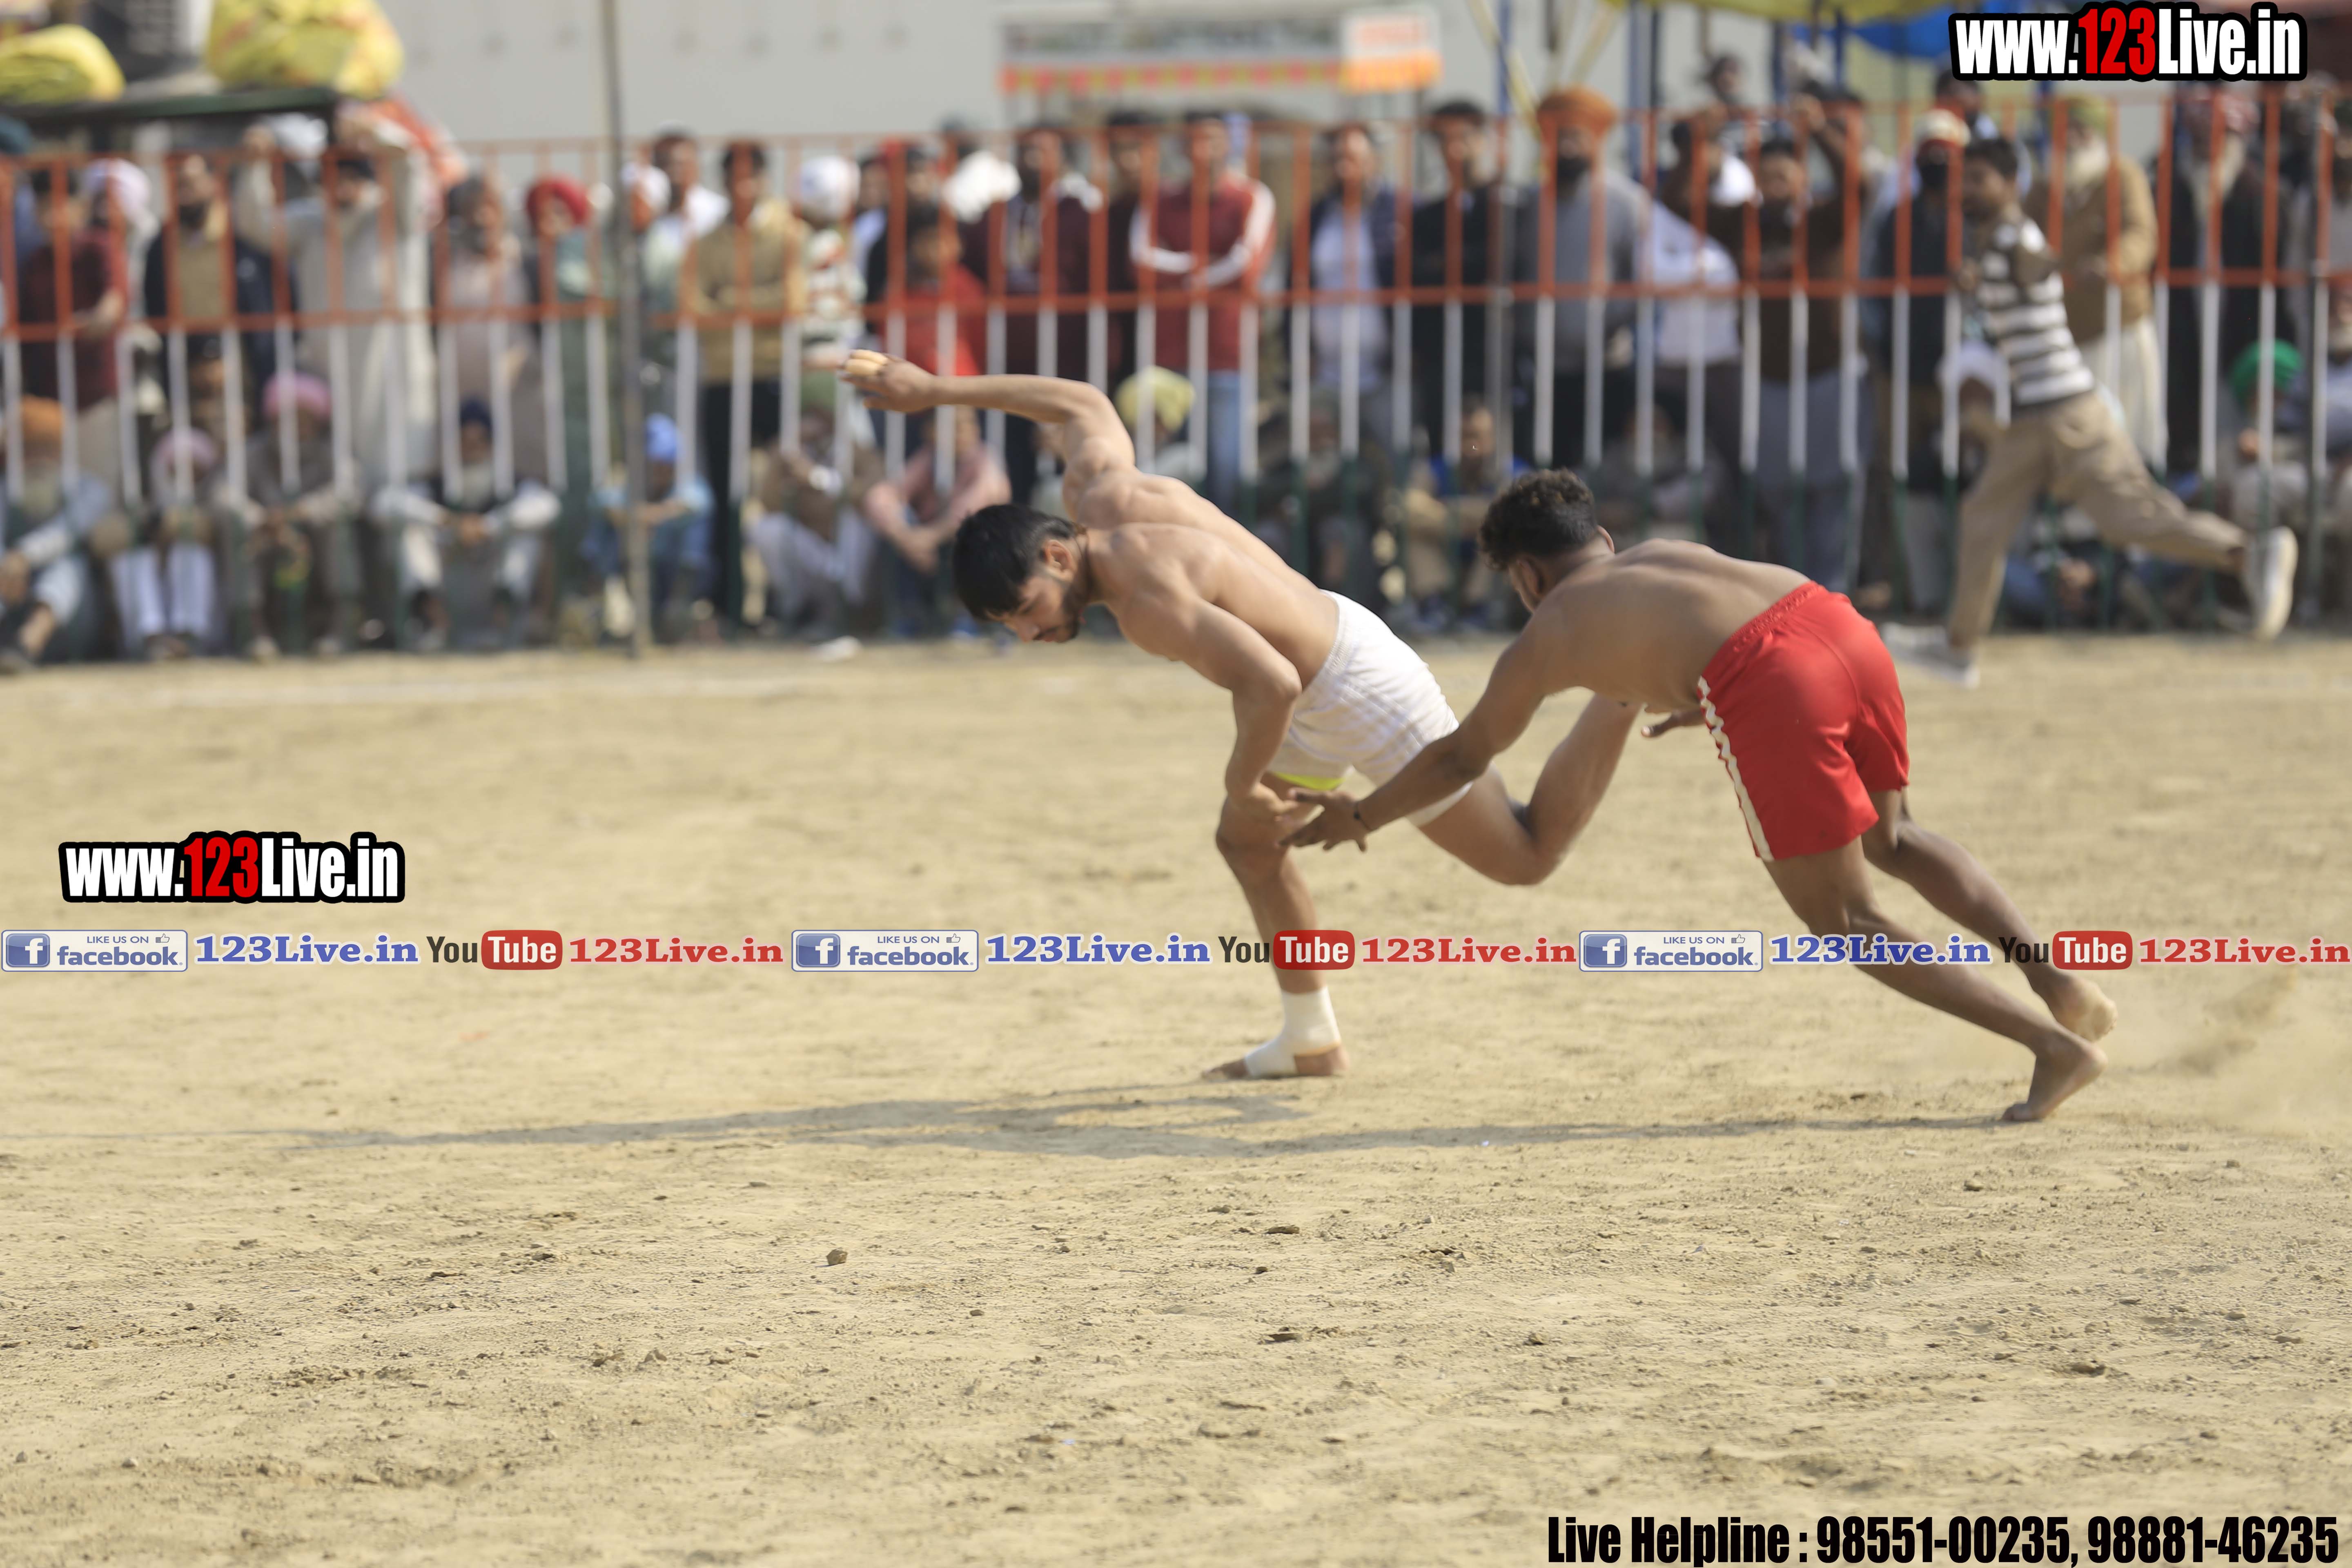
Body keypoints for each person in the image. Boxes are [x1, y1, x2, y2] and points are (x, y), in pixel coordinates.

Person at [845, 348, 1642, 1078]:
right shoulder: (1098, 493)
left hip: (1353, 688)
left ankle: (1623, 688)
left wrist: (1244, 781)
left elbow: (1269, 683)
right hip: (1320, 665)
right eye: (1011, 627)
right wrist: (936, 391)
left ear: (1056, 556)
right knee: (1248, 845)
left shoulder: (1144, 601)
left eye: (1027, 610)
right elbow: (1081, 403)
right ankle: (1311, 1040)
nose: (1030, 634)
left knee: (1526, 855)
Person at [1282, 469, 2116, 1123]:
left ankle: (2053, 1048)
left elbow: (1463, 757)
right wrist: (1717, 696)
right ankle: (2058, 985)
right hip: (1839, 628)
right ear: (1601, 538)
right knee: (1896, 839)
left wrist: (1361, 814)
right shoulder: (1660, 553)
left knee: (1845, 920)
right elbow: (1728, 632)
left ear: (1528, 576)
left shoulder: (1552, 629)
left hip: (1772, 681)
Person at [1882, 138, 2296, 686]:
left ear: (2010, 184)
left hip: (2068, 414)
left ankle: (2249, 552)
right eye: (1965, 179)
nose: (1967, 190)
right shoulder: (1995, 240)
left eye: (1979, 179)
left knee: (2132, 518)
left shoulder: (2014, 236)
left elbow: (2035, 263)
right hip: (2037, 416)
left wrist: (2028, 267)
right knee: (1983, 520)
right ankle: (1959, 648)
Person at [1704, 96, 1875, 592]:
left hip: (1830, 373)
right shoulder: (1743, 223)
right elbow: (1681, 202)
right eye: (1768, 176)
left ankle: (1833, 595)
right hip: (1768, 378)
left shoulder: (1824, 220)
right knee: (1778, 492)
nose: (1776, 184)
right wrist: (1704, 139)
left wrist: (1820, 130)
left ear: (1804, 178)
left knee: (1837, 487)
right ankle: (1796, 596)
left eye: (1785, 175)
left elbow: (1859, 184)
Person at [236, 111, 437, 490]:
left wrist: (376, 131)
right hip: (330, 369)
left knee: (398, 476)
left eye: (351, 180)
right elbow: (255, 224)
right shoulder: (313, 224)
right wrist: (255, 166)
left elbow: (408, 162)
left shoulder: (395, 217)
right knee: (343, 480)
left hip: (393, 369)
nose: (342, 190)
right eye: (332, 181)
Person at [1128, 108, 1275, 517]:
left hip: (1227, 357)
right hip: (1169, 356)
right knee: (1167, 475)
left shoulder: (1252, 198)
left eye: (1211, 140)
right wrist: (1205, 268)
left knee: (1226, 474)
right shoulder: (1159, 200)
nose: (1202, 149)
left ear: (1228, 145)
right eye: (1194, 139)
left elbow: (1247, 266)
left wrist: (1180, 273)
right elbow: (1141, 263)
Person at [682, 140, 806, 624]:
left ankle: (784, 598)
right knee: (724, 492)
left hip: (773, 371)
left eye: (751, 175)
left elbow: (793, 298)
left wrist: (730, 299)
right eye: (735, 177)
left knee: (784, 485)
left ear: (764, 179)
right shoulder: (706, 241)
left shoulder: (788, 233)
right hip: (722, 375)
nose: (744, 186)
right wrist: (756, 303)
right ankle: (729, 600)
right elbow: (693, 304)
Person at [964, 125, 1100, 502]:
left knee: (1065, 470)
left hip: (1065, 362)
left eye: (1043, 152)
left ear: (1063, 159)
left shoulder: (1080, 214)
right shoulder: (994, 216)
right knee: (1012, 467)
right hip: (1006, 362)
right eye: (1025, 151)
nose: (1032, 160)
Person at [370, 399, 558, 649]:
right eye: (465, 441)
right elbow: (383, 504)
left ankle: (505, 621)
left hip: (489, 581)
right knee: (412, 533)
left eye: (480, 440)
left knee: (527, 537)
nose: (473, 449)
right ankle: (432, 622)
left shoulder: (510, 484)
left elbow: (548, 506)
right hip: (450, 584)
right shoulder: (436, 485)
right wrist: (445, 520)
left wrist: (489, 526)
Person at [1529, 88, 1644, 468]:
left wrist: (1608, 323)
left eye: (1576, 136)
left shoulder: (1626, 202)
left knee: (1607, 467)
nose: (1567, 147)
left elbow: (1640, 280)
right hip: (1544, 367)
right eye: (1558, 137)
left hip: (1608, 364)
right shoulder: (1530, 203)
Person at [1415, 100, 1535, 460]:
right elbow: (1421, 274)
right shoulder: (1429, 214)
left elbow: (1504, 263)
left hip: (1499, 348)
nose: (1455, 149)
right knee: (1451, 447)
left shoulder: (1508, 203)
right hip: (1443, 352)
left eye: (1464, 137)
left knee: (1502, 444)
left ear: (1483, 140)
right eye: (1444, 139)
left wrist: (1448, 262)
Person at [2056, 97, 2165, 470]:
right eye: (2066, 130)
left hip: (2120, 324)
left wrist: (2111, 264)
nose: (2073, 139)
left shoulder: (2124, 176)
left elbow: (2141, 234)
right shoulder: (2046, 187)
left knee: (2131, 434)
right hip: (2068, 333)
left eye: (2081, 129)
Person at [143, 153, 283, 420]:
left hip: (243, 359)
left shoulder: (244, 237)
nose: (184, 194)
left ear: (213, 182)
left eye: (191, 184)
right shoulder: (160, 247)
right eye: (178, 185)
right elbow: (155, 308)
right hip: (186, 362)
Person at [19, 167, 130, 494]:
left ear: (80, 207)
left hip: (95, 396)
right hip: (50, 401)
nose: (50, 217)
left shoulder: (99, 247)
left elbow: (115, 297)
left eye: (57, 205)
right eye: (42, 207)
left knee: (99, 491)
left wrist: (100, 317)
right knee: (55, 495)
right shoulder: (35, 263)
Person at [244, 370, 363, 657]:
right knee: (242, 538)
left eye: (303, 418)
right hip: (267, 533)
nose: (295, 427)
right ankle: (256, 632)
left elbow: (350, 493)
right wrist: (261, 519)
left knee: (336, 532)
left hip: (315, 531)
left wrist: (302, 512)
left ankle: (337, 630)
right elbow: (225, 495)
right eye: (287, 418)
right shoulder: (254, 452)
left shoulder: (330, 452)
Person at [1309, 122, 1401, 461]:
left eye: (1353, 159)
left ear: (1375, 160)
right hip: (1327, 374)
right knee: (1324, 469)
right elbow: (1297, 286)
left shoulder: (1400, 211)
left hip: (1386, 373)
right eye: (1336, 159)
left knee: (1393, 461)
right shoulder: (1316, 217)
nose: (1344, 169)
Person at [1394, 397, 1526, 630]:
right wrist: (1472, 521)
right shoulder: (1435, 468)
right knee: (1414, 535)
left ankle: (1479, 610)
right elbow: (1408, 509)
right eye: (1462, 436)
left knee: (1505, 536)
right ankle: (1434, 606)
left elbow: (1513, 512)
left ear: (1494, 438)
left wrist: (1446, 512)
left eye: (1478, 437)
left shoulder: (1512, 470)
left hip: (1487, 570)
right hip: (1446, 560)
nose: (1470, 445)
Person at [0, 398, 111, 671]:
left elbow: (66, 533)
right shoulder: (5, 491)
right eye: (30, 449)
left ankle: (27, 644)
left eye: (47, 448)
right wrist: (7, 566)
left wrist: (22, 557)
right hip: (11, 601)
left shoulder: (89, 489)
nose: (39, 459)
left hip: (71, 621)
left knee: (68, 565)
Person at [108, 427, 236, 659]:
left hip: (209, 611)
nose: (185, 476)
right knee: (133, 558)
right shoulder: (143, 502)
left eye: (194, 469)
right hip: (158, 602)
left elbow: (205, 530)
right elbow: (103, 539)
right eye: (177, 468)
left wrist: (166, 528)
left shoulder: (214, 500)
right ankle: (152, 638)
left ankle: (188, 636)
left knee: (189, 553)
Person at [586, 414, 713, 641]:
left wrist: (644, 517)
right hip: (628, 569)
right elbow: (602, 503)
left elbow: (692, 504)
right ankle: (598, 606)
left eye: (667, 463)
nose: (662, 470)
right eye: (656, 464)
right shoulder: (625, 484)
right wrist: (637, 520)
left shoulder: (690, 485)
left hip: (673, 576)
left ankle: (681, 607)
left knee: (694, 532)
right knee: (605, 531)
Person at [893, 405, 1011, 633]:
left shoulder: (986, 459)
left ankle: (972, 617)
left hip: (977, 544)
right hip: (933, 546)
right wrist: (903, 536)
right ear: (931, 431)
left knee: (975, 534)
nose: (965, 430)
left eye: (970, 423)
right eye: (955, 425)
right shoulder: (929, 458)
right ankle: (912, 615)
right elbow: (886, 496)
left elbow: (972, 506)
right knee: (901, 521)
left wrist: (929, 537)